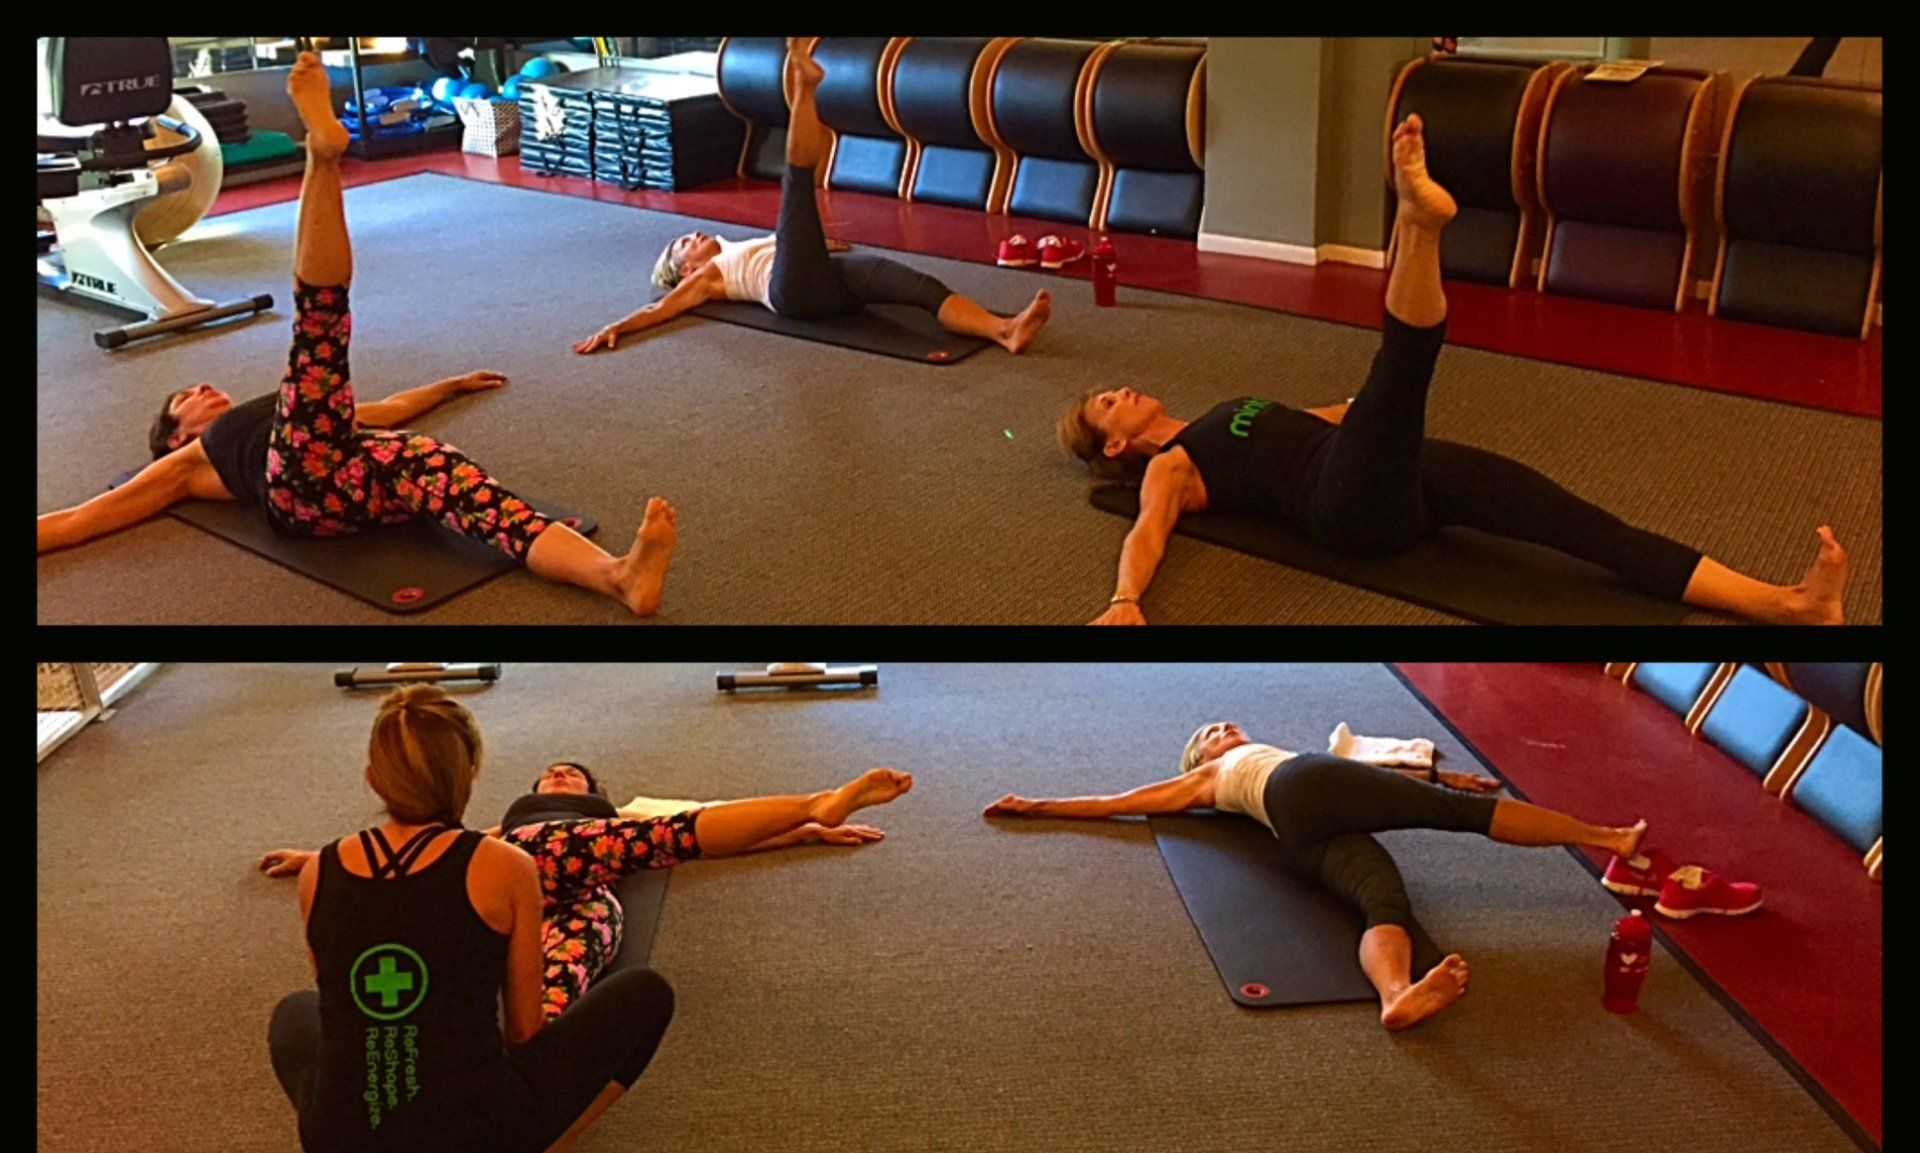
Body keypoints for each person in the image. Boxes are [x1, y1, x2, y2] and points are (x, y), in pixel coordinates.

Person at [1057, 115, 1851, 627]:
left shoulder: (1217, 415)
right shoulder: (1170, 464)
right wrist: (1125, 600)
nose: (1122, 390)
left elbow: (1332, 419)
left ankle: (1788, 603)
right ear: (1117, 446)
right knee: (1402, 365)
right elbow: (1149, 533)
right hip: (1345, 511)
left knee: (1575, 524)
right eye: (1107, 403)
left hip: (1379, 468)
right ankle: (1415, 223)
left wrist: (1364, 411)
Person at [35, 51, 680, 620]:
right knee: (319, 332)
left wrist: (452, 383)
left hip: (363, 469)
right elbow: (80, 519)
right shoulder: (192, 463)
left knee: (466, 487)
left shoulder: (286, 414)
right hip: (303, 495)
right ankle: (323, 156)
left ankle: (617, 577)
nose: (204, 385)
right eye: (186, 397)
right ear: (177, 436)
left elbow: (380, 411)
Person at [260, 688, 914, 1153]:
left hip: (339, 1143)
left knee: (296, 1013)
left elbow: (346, 1009)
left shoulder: (322, 871)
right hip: (481, 1146)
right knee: (645, 991)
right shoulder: (505, 861)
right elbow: (525, 1032)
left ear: (373, 779)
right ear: (474, 776)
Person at [986, 723, 1652, 1032]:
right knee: (1463, 817)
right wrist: (1037, 804)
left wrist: (1439, 774)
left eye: (1224, 724)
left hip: (1298, 841)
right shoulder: (1218, 773)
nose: (1222, 728)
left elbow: (1367, 786)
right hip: (1302, 784)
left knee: (1382, 901)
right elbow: (1120, 802)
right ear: (1203, 758)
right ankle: (1608, 837)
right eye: (1209, 733)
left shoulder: (1231, 783)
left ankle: (1396, 995)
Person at [261, 760, 890, 1023]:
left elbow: (695, 834)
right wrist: (316, 858)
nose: (563, 773)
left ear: (592, 792)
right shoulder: (506, 830)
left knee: (572, 959)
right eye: (553, 772)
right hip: (508, 878)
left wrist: (804, 832)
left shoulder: (616, 820)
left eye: (575, 773)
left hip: (584, 883)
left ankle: (525, 1060)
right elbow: (417, 846)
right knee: (477, 955)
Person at [573, 41, 1051, 359]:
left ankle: (1002, 330)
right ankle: (804, 86)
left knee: (917, 286)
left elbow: (796, 244)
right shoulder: (711, 280)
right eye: (682, 246)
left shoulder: (738, 248)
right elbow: (660, 310)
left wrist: (825, 251)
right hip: (794, 294)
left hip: (822, 276)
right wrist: (619, 325)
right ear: (689, 271)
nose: (692, 236)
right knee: (798, 187)